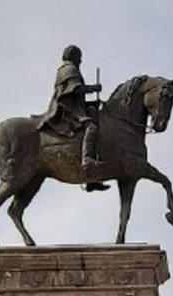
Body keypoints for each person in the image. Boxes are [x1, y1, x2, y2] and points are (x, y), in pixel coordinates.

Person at [38, 45, 109, 192]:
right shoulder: (69, 69)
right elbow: (75, 89)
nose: (81, 60)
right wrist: (94, 88)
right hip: (67, 112)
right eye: (79, 57)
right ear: (74, 56)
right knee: (91, 127)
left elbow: (76, 98)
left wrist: (91, 103)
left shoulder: (67, 69)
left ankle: (92, 179)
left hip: (75, 108)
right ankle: (87, 159)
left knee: (95, 114)